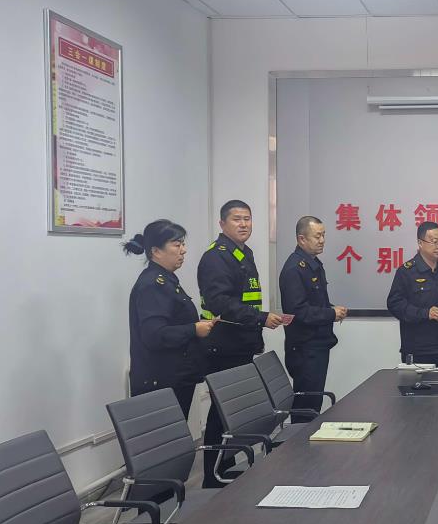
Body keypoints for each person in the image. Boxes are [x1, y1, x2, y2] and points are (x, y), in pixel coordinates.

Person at [197, 200, 283, 487]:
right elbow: (221, 303)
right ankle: (212, 477)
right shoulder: (216, 257)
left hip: (241, 344)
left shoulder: (242, 253)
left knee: (233, 412)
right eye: (237, 219)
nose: (244, 224)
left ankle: (226, 468)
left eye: (247, 218)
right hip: (223, 345)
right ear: (222, 223)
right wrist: (260, 318)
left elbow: (244, 299)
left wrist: (258, 322)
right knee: (221, 412)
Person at [123, 220, 214, 420]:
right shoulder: (153, 284)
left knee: (176, 432)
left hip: (176, 377)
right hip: (161, 381)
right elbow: (154, 335)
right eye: (177, 245)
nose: (183, 250)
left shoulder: (166, 279)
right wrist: (194, 329)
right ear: (156, 251)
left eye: (183, 244)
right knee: (165, 437)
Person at [279, 216, 346, 422]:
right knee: (305, 407)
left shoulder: (312, 264)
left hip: (316, 345)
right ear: (302, 239)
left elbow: (315, 302)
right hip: (305, 349)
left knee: (313, 404)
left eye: (323, 235)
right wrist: (331, 314)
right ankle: (298, 442)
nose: (322, 240)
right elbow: (299, 311)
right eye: (317, 236)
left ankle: (306, 441)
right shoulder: (294, 269)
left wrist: (332, 308)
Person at [386, 221, 438, 368]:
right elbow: (394, 304)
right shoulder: (407, 271)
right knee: (416, 384)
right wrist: (425, 313)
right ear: (420, 243)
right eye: (434, 242)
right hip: (417, 350)